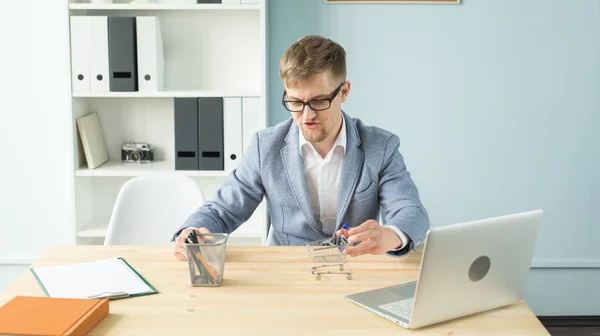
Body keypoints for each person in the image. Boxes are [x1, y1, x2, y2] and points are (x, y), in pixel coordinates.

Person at [173, 35, 429, 260]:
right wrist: (193, 231)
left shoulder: (380, 146)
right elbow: (223, 209)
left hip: (357, 269)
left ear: (344, 92)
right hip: (286, 272)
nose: (306, 116)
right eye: (295, 101)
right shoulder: (266, 146)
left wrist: (390, 235)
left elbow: (411, 211)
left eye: (318, 101)